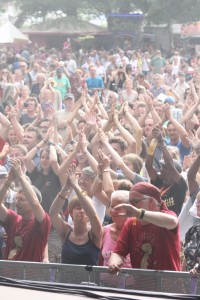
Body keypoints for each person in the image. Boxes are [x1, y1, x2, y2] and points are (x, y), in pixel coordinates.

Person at [108, 182, 180, 273]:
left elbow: (172, 222)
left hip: (167, 284)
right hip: (142, 284)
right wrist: (113, 264)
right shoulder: (131, 223)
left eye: (135, 201)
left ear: (151, 201)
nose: (131, 206)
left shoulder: (167, 214)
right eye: (129, 202)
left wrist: (140, 213)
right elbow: (119, 252)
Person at [0, 158, 51, 261]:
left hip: (29, 276)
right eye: (16, 199)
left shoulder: (41, 222)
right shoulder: (13, 219)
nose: (17, 202)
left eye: (22, 199)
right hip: (8, 276)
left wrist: (21, 176)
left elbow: (35, 203)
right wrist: (9, 180)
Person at [49, 167, 102, 265]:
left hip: (89, 280)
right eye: (78, 208)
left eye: (84, 208)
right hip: (66, 280)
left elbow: (93, 216)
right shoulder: (66, 231)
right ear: (71, 213)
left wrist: (76, 186)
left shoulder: (94, 233)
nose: (82, 211)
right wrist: (66, 187)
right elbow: (53, 213)